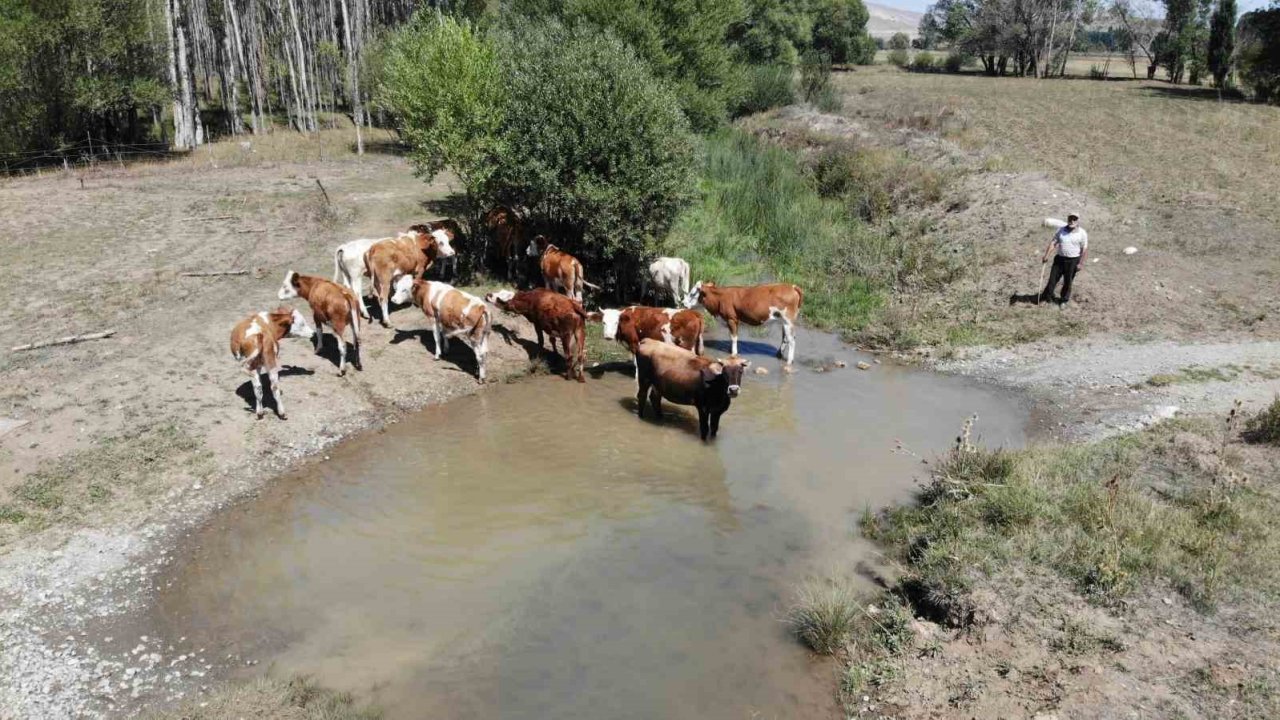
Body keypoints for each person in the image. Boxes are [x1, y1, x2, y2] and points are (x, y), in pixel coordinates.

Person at [1040, 213, 1088, 306]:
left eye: (1074, 219)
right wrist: (1046, 255)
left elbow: (1084, 249)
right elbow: (1053, 243)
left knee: (1068, 281)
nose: (1072, 221)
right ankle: (1046, 298)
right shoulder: (1061, 230)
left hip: (1073, 261)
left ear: (1078, 221)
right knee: (1052, 280)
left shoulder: (1082, 233)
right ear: (1067, 219)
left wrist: (1081, 263)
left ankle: (1063, 300)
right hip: (1059, 259)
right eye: (1070, 218)